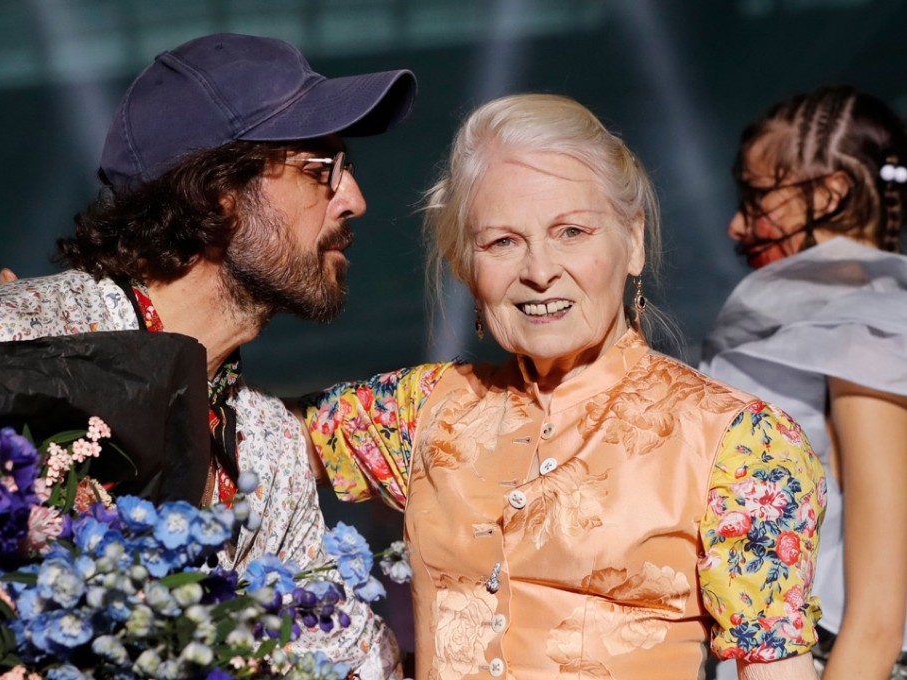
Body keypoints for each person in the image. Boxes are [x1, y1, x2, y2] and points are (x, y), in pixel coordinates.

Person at [0, 32, 417, 678]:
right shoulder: (5, 342)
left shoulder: (268, 441)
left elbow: (348, 655)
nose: (354, 198)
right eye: (320, 168)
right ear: (218, 193)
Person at [297, 93, 826, 679]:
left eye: (571, 231)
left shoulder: (741, 443)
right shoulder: (419, 410)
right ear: (464, 267)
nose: (540, 270)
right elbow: (235, 435)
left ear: (633, 241)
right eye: (502, 242)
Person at [701, 85, 907, 680]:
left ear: (828, 194)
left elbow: (875, 622)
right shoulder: (833, 325)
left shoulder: (869, 333)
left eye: (758, 196)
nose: (739, 225)